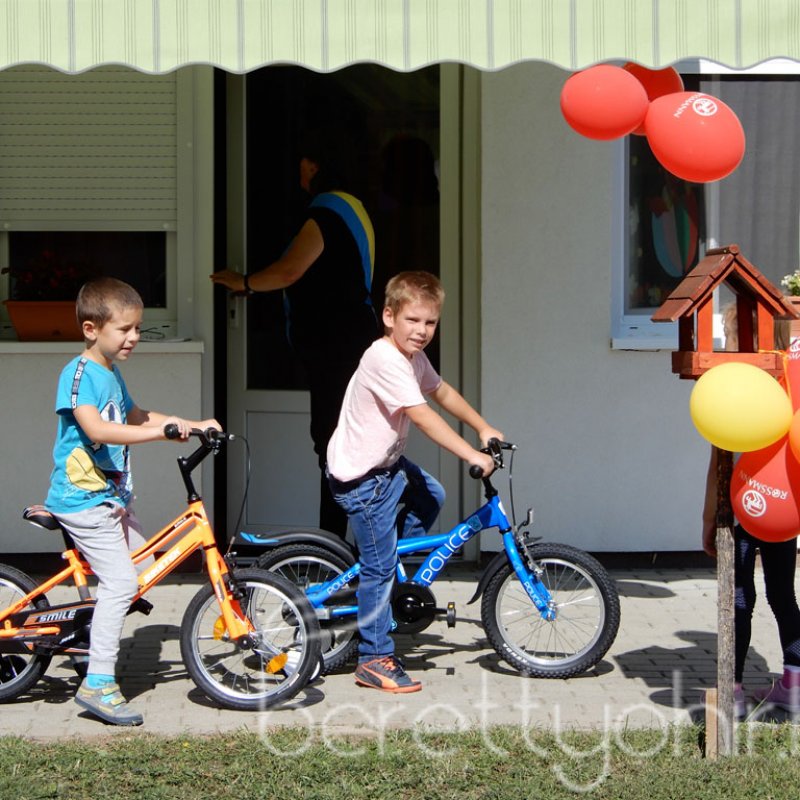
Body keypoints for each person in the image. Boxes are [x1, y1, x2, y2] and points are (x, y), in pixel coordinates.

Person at [44, 277, 220, 726]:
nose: (134, 337)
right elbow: (99, 430)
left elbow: (137, 416)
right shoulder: (79, 375)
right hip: (83, 500)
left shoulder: (111, 374)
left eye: (138, 328)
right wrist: (155, 435)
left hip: (111, 498)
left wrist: (192, 423)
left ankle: (89, 635)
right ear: (91, 329)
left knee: (142, 570)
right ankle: (98, 684)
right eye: (124, 329)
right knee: (121, 584)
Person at [326, 271, 503, 693]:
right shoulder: (383, 359)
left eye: (430, 323)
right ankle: (373, 658)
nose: (422, 331)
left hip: (387, 468)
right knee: (378, 565)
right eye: (413, 320)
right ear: (389, 316)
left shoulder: (412, 358)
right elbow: (423, 416)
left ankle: (396, 579)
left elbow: (440, 392)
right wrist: (471, 454)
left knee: (431, 495)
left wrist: (482, 426)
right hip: (362, 480)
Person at [211, 131, 379, 540]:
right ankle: (343, 543)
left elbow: (289, 270)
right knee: (344, 443)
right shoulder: (355, 208)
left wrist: (244, 282)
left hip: (336, 351)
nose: (299, 168)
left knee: (333, 446)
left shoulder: (324, 214)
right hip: (352, 343)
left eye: (304, 161)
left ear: (317, 165)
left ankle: (335, 546)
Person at [702, 302, 800, 717]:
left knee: (739, 596)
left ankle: (734, 691)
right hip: (786, 504)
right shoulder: (792, 380)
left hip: (743, 504)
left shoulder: (737, 387)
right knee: (783, 594)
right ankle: (794, 686)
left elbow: (718, 459)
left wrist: (708, 517)